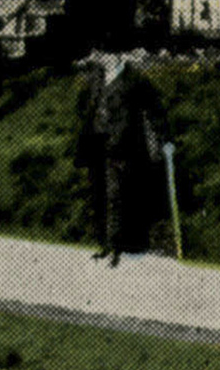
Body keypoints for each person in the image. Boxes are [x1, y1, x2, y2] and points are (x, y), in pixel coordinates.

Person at [75, 48, 175, 264]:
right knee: (97, 194)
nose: (104, 58)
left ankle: (114, 247)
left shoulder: (135, 80)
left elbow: (156, 110)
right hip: (95, 145)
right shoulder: (96, 78)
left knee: (115, 196)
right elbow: (86, 106)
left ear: (119, 55)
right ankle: (103, 244)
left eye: (108, 54)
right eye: (102, 54)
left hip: (122, 147)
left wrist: (165, 139)